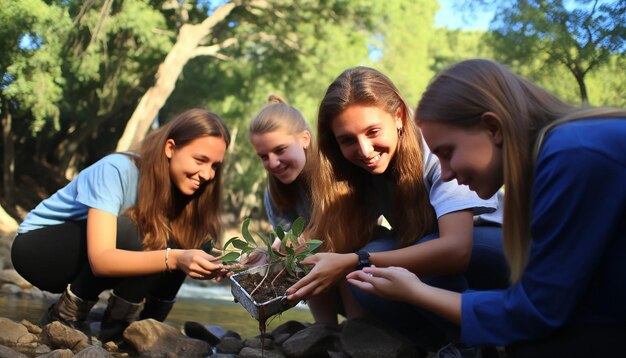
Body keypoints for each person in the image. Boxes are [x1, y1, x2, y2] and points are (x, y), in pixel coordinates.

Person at [347, 58, 626, 357]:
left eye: (447, 153)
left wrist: (416, 292)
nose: (445, 173)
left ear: (492, 127)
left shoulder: (572, 157)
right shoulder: (562, 152)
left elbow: (536, 312)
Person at [286, 66, 510, 352]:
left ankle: (472, 345)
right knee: (363, 278)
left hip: (496, 248)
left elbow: (455, 249)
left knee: (385, 259)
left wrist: (356, 260)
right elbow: (330, 234)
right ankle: (433, 344)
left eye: (372, 131)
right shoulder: (356, 172)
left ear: (399, 117)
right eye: (347, 140)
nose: (364, 150)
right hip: (436, 254)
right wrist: (273, 255)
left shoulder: (435, 149)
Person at [11, 108, 232, 343]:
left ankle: (135, 327)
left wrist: (212, 264)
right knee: (142, 232)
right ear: (170, 148)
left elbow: (180, 249)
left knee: (195, 239)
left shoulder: (186, 190)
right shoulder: (117, 169)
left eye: (215, 166)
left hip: (92, 251)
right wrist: (177, 258)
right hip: (39, 251)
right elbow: (101, 259)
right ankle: (66, 316)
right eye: (200, 160)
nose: (207, 174)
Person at [249, 94, 314, 231]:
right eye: (264, 157)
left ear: (305, 139)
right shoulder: (274, 193)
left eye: (280, 150)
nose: (272, 164)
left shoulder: (339, 177)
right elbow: (289, 245)